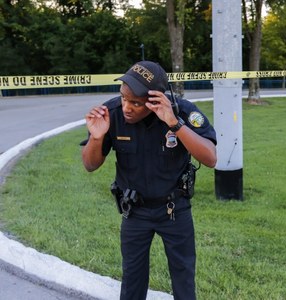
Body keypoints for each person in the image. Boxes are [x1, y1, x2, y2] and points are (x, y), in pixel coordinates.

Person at [81, 61, 217, 300]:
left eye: (135, 102)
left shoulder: (182, 112)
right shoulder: (111, 113)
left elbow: (210, 158)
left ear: (155, 100)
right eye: (123, 98)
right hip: (134, 212)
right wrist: (96, 137)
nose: (126, 107)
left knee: (184, 280)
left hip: (174, 210)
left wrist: (174, 123)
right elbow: (90, 165)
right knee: (132, 280)